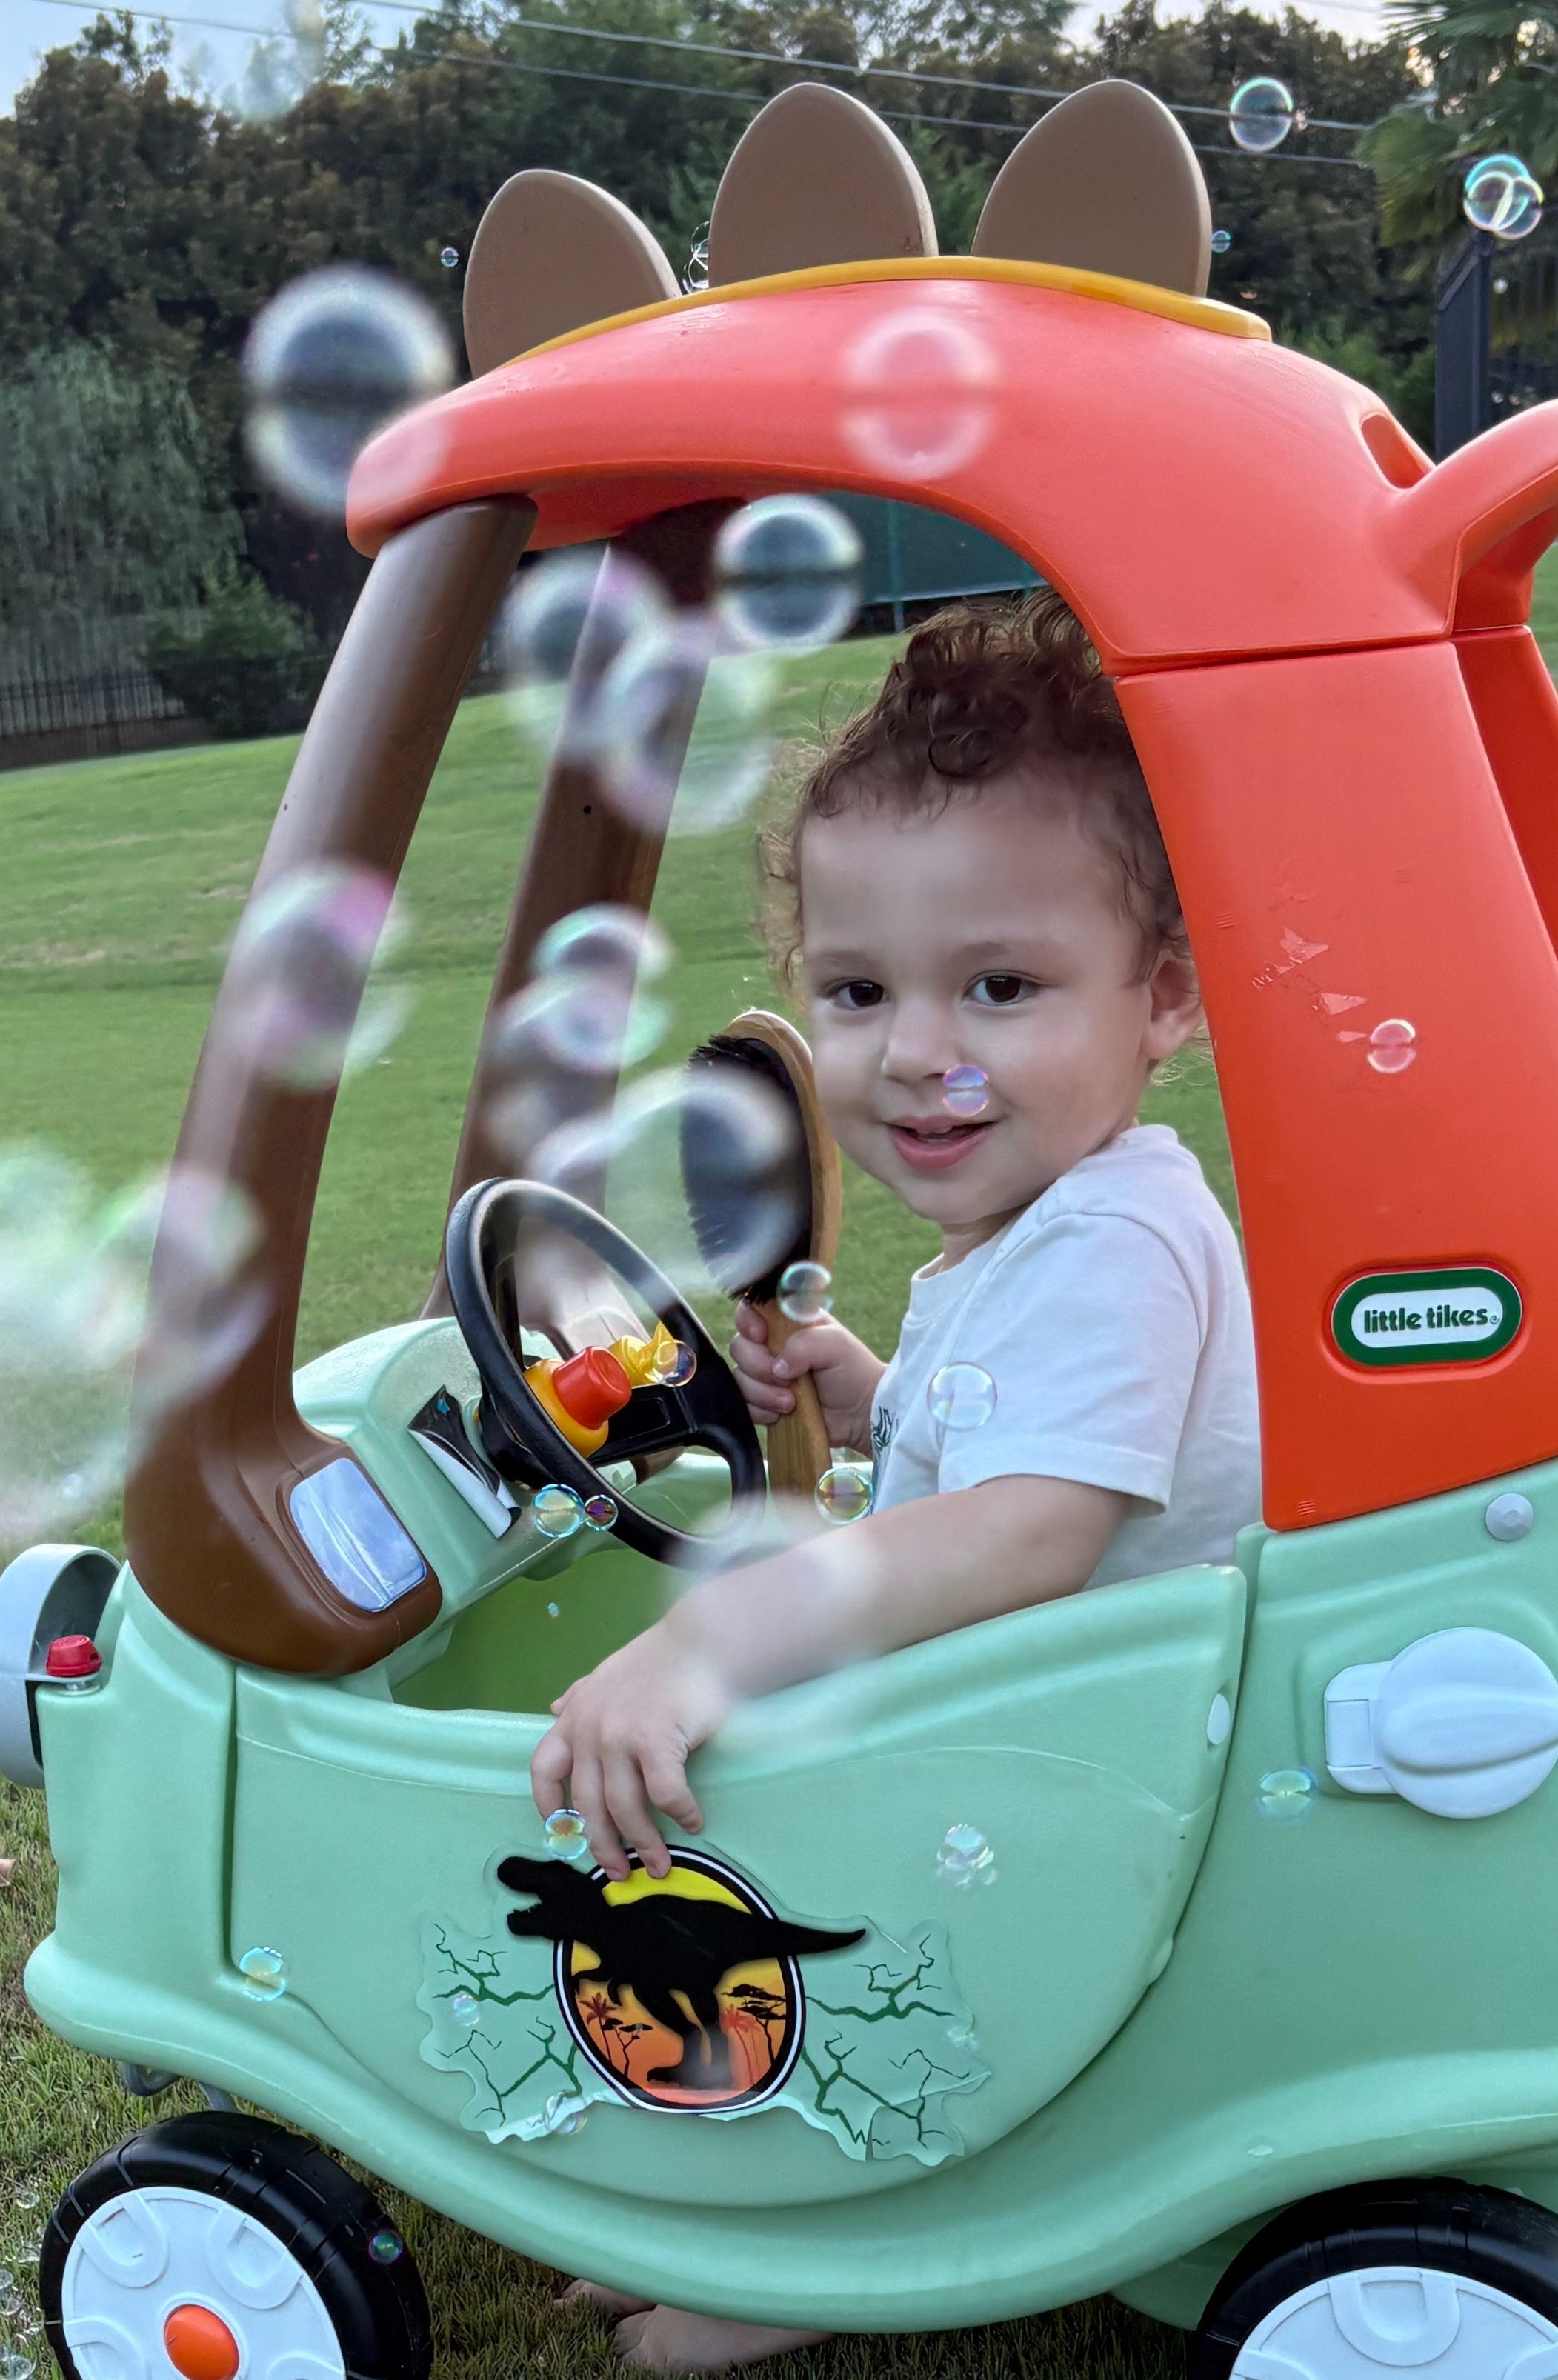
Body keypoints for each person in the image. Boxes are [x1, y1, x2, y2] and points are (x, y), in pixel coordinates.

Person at [533, 593, 1265, 2370]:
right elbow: (998, 1447)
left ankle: (821, 2253)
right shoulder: (1047, 1221)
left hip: (1110, 1799)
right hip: (1078, 1740)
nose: (920, 1050)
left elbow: (1033, 1523)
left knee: (797, 1870)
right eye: (859, 992)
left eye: (999, 986)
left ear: (1164, 991)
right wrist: (867, 1395)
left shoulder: (1113, 1241)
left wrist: (707, 1648)